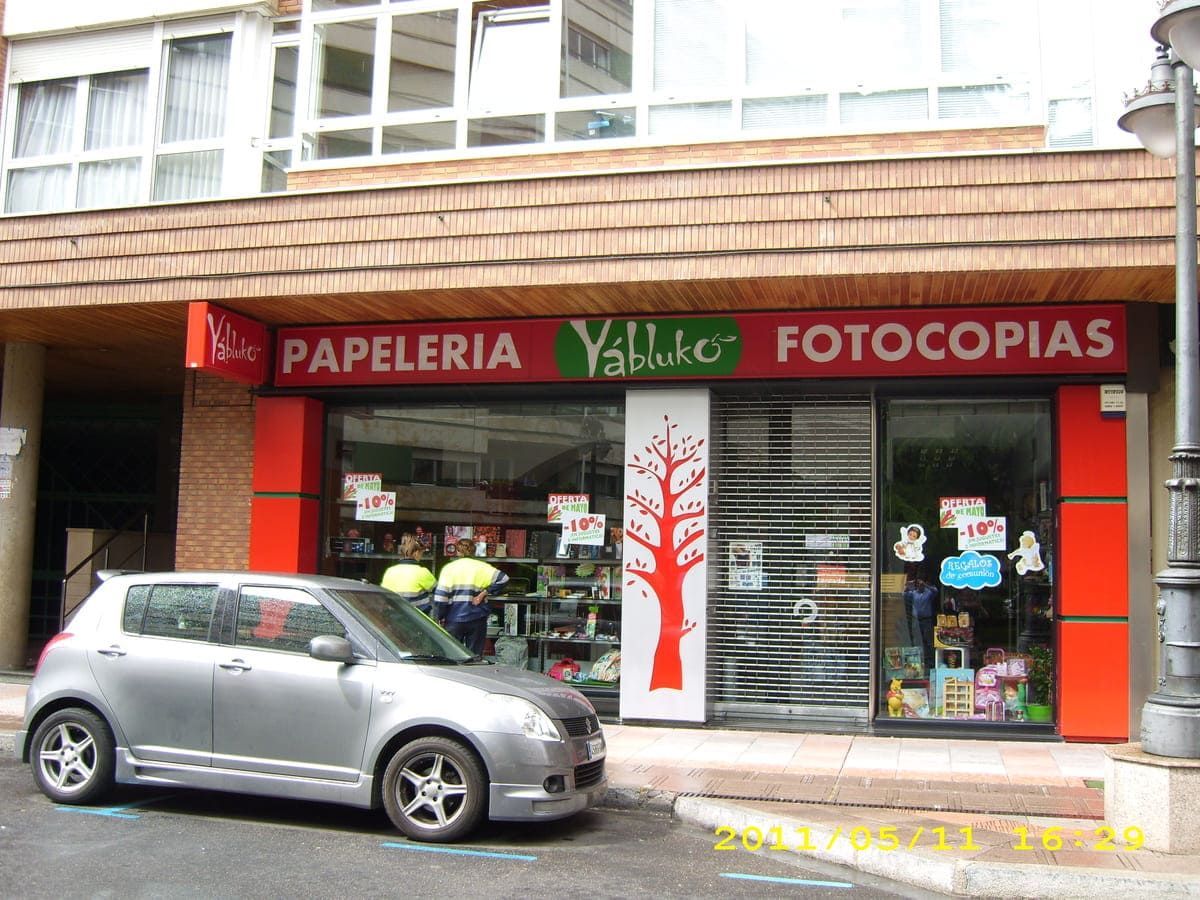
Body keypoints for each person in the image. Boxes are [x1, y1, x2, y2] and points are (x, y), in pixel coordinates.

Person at [434, 538, 510, 656]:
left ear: (458, 552)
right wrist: (483, 593)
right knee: (474, 657)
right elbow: (504, 578)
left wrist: (440, 616)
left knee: (452, 656)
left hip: (453, 618)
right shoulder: (482, 567)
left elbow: (441, 598)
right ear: (474, 551)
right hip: (477, 617)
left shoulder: (448, 569)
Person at [380, 533, 436, 615]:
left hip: (392, 617)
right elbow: (438, 592)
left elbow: (383, 595)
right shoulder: (422, 572)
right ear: (416, 553)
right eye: (421, 553)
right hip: (416, 619)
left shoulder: (390, 571)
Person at [904, 573, 939, 669]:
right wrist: (908, 584)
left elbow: (936, 591)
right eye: (918, 584)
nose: (920, 586)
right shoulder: (913, 593)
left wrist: (926, 585)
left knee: (929, 642)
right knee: (917, 641)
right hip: (916, 621)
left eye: (921, 584)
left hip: (926, 620)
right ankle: (919, 662)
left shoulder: (928, 593)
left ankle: (931, 662)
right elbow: (903, 593)